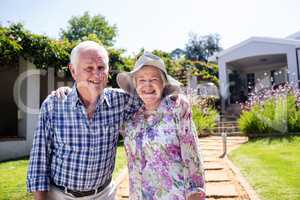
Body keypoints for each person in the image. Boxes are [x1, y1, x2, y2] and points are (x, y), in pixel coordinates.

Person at [27, 41, 189, 200]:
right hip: (60, 195)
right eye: (89, 68)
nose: (96, 74)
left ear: (108, 69)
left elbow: (152, 94)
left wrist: (176, 98)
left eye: (101, 68)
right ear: (73, 71)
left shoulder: (122, 101)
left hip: (104, 194)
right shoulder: (54, 104)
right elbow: (39, 160)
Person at [117, 52, 205, 200]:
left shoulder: (177, 107)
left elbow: (191, 154)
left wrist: (195, 192)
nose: (147, 85)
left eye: (153, 79)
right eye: (142, 80)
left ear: (164, 83)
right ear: (135, 85)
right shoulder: (132, 120)